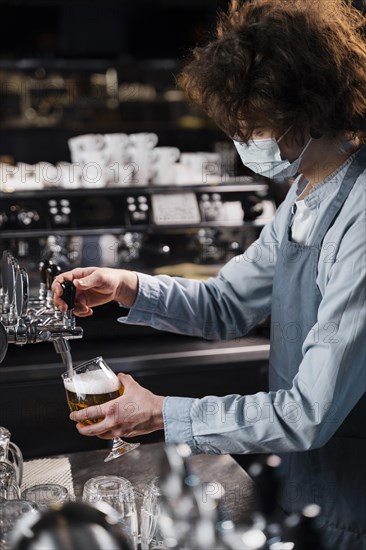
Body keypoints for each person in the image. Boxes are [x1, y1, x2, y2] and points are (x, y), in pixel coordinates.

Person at [53, 1, 366, 548]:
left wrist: (159, 414)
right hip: (306, 476)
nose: (248, 142)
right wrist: (127, 285)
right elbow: (228, 303)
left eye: (257, 126)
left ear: (311, 109)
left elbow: (308, 413)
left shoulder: (360, 216)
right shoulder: (307, 190)